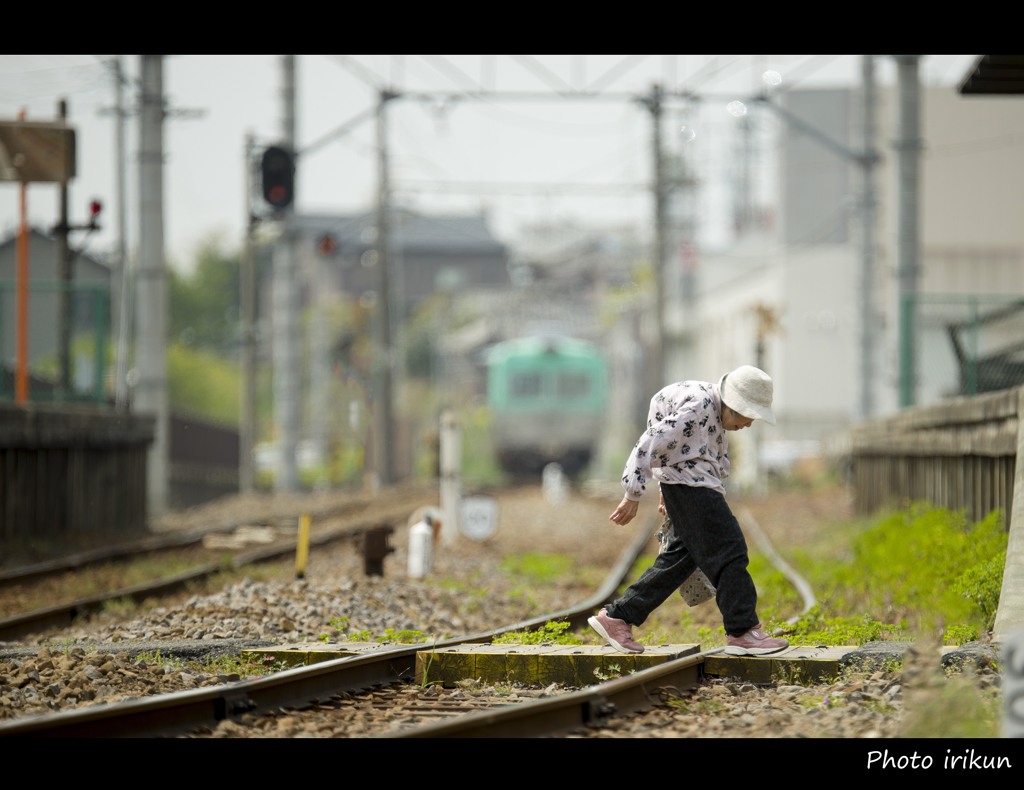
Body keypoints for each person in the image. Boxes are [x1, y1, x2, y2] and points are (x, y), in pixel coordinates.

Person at [588, 364, 790, 656]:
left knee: (678, 561)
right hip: (690, 488)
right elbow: (649, 445)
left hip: (686, 486)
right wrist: (632, 492)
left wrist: (664, 491)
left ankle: (619, 617)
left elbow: (680, 452)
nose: (749, 424)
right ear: (733, 406)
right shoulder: (697, 408)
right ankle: (743, 631)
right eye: (750, 415)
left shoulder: (712, 412)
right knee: (730, 550)